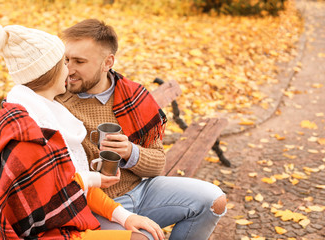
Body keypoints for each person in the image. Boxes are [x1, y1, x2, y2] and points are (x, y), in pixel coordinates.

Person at [0, 23, 165, 240]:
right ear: (51, 72)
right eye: (64, 63)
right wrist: (92, 181)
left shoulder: (51, 114)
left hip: (75, 214)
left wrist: (123, 215)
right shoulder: (30, 131)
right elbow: (42, 209)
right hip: (49, 231)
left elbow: (65, 183)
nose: (69, 70)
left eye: (76, 62)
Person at [56, 19, 227, 240]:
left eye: (79, 61)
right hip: (94, 205)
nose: (69, 69)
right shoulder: (57, 99)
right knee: (145, 237)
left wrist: (130, 151)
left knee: (214, 200)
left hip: (142, 190)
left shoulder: (133, 96)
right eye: (66, 59)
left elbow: (157, 163)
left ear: (108, 62)